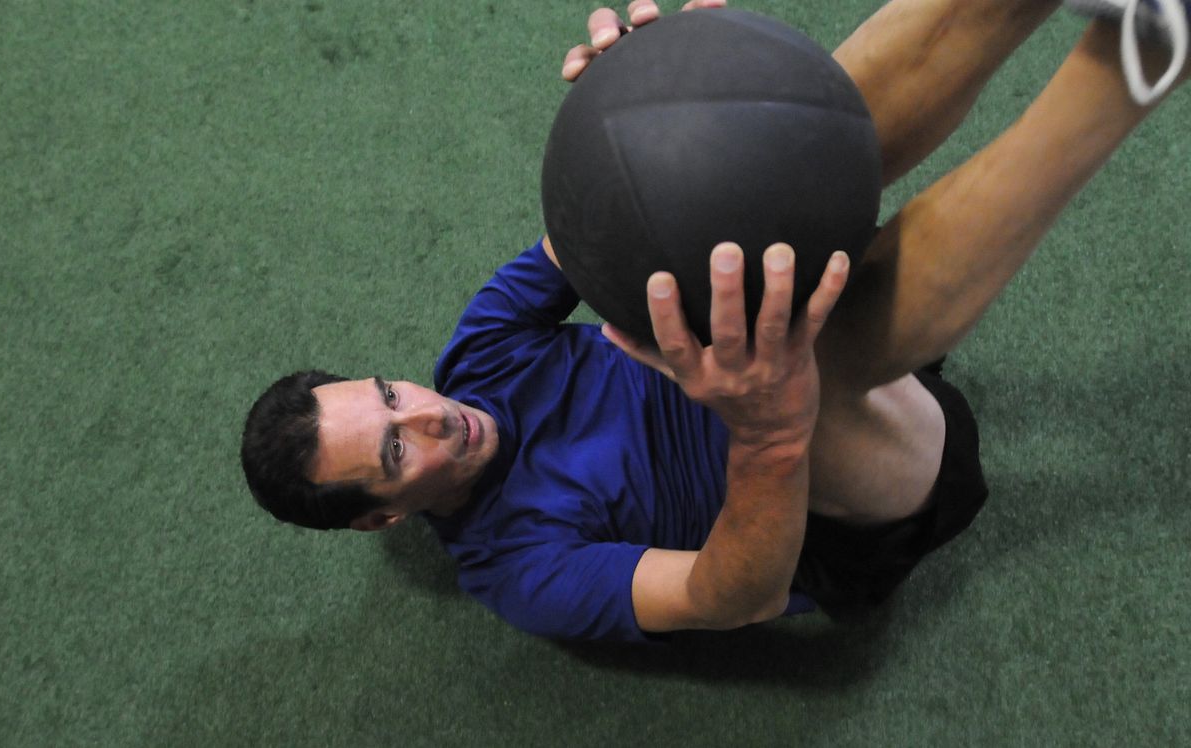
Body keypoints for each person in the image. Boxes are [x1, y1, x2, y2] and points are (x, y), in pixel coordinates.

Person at [241, 0, 1186, 642]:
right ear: (383, 517)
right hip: (840, 491)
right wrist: (769, 431)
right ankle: (1142, 56)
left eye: (389, 395)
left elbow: (608, 220)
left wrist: (651, 107)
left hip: (796, 347)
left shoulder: (479, 351)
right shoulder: (514, 568)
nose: (431, 415)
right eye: (398, 451)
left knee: (755, 146)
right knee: (801, 351)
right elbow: (731, 597)